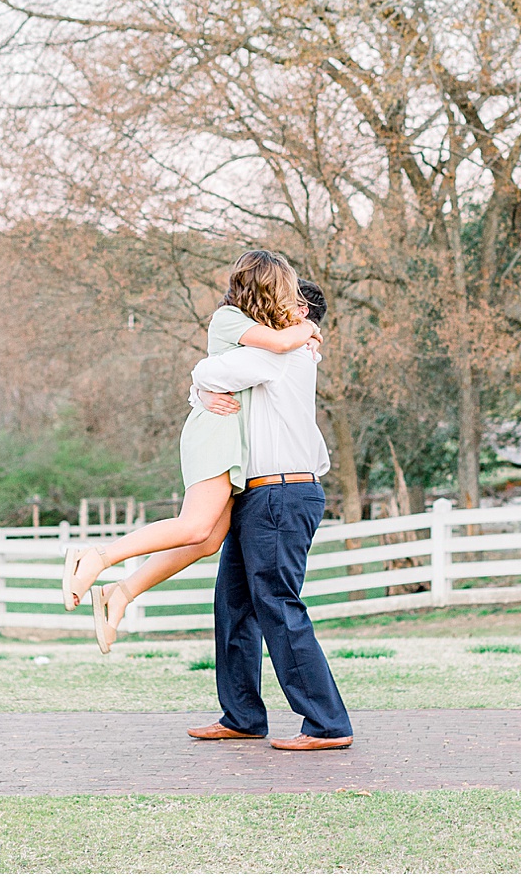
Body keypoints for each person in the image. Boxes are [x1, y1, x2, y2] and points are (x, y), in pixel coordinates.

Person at [60, 249, 319, 652]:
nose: (295, 306)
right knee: (195, 526)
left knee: (206, 541)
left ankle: (122, 592)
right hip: (216, 431)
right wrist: (309, 329)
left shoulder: (263, 341)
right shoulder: (231, 319)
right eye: (288, 294)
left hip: (234, 440)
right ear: (267, 290)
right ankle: (95, 556)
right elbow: (281, 343)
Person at [184, 276, 354, 751]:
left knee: (277, 605)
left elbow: (208, 370)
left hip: (282, 495)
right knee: (234, 605)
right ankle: (241, 716)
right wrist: (199, 394)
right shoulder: (275, 353)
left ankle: (327, 724)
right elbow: (213, 382)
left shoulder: (282, 354)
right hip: (259, 495)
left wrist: (199, 385)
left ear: (298, 312)